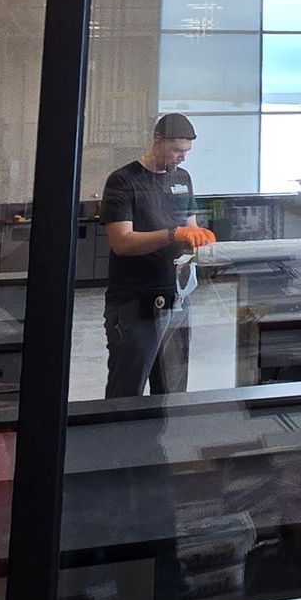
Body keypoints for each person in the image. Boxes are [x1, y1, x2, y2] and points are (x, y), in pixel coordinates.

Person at [100, 112, 217, 398]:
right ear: (158, 141)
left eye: (186, 151)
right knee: (127, 390)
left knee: (172, 392)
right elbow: (121, 242)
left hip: (177, 298)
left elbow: (190, 227)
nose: (182, 157)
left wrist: (200, 240)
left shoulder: (183, 179)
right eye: (177, 150)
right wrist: (173, 235)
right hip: (135, 301)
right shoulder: (123, 181)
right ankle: (119, 428)